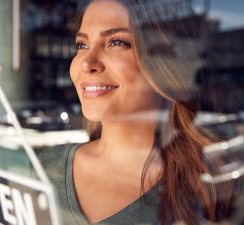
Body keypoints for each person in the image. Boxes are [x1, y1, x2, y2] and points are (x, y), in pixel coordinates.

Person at [38, 0, 241, 224]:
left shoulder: (215, 183)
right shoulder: (44, 168)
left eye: (116, 42)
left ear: (164, 64)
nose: (87, 63)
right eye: (82, 45)